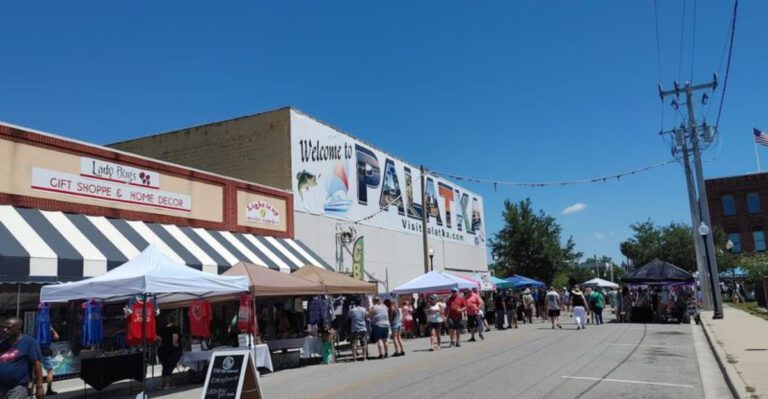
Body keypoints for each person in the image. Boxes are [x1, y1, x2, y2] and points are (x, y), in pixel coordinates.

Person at [1, 317, 44, 399]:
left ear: (18, 329)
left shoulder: (29, 342)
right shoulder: (3, 343)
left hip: (17, 388)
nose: (4, 330)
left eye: (8, 327)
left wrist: (39, 387)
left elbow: (37, 364)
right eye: (3, 327)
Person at [157, 314, 182, 390]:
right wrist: (176, 344)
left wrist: (162, 341)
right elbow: (174, 339)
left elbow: (156, 336)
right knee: (169, 367)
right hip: (172, 350)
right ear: (175, 320)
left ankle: (162, 384)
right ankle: (167, 385)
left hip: (162, 350)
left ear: (168, 320)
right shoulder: (175, 328)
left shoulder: (162, 328)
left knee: (165, 367)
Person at [41, 327, 59, 396]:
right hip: (45, 350)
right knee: (50, 371)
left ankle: (30, 391)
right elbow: (57, 337)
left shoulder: (35, 326)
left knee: (34, 371)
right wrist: (52, 329)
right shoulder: (48, 327)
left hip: (36, 349)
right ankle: (48, 390)